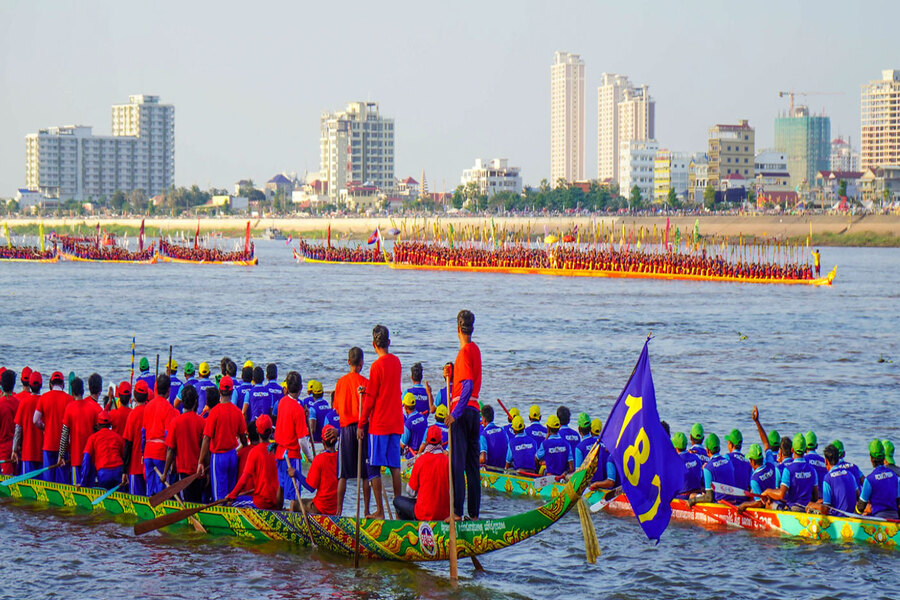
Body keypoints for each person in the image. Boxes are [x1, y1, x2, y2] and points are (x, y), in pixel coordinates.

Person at [358, 324, 404, 520]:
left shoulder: (376, 366)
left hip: (379, 423)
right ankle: (400, 509)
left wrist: (361, 423)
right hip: (395, 421)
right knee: (395, 466)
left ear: (373, 345)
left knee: (374, 467)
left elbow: (371, 398)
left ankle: (380, 511)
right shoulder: (397, 362)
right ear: (389, 343)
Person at [197, 376, 249, 501]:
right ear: (232, 392)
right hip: (232, 456)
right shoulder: (237, 412)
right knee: (230, 494)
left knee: (219, 496)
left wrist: (200, 462)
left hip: (218, 457)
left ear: (220, 392)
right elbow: (243, 439)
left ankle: (219, 515)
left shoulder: (214, 412)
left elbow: (206, 439)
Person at [333, 347, 368, 515]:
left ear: (349, 362)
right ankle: (367, 510)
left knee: (343, 475)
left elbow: (338, 409)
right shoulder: (365, 382)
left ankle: (338, 511)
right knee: (366, 474)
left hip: (346, 429)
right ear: (361, 363)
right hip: (362, 428)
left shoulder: (341, 382)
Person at [273, 371, 313, 511]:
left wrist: (304, 415)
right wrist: (310, 458)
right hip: (292, 454)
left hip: (279, 453)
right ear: (301, 388)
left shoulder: (282, 402)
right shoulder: (297, 408)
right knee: (294, 492)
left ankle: (277, 511)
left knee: (281, 485)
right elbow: (302, 440)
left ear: (287, 387)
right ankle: (291, 517)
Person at [393, 425, 450, 521]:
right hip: (445, 514)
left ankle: (411, 527)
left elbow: (410, 492)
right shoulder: (448, 461)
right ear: (441, 441)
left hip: (423, 513)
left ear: (427, 441)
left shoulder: (420, 460)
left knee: (397, 501)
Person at [226, 415, 281, 509]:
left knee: (227, 504)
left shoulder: (255, 451)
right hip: (277, 501)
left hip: (261, 503)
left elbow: (244, 478)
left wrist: (232, 495)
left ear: (257, 431)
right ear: (271, 431)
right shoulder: (278, 450)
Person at [162, 385, 206, 503]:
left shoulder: (175, 422)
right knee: (197, 501)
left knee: (186, 502)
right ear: (196, 401)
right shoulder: (202, 422)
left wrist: (165, 473)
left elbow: (170, 450)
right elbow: (206, 448)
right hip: (199, 471)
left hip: (183, 472)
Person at [57, 376, 102, 485]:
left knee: (77, 490)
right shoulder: (92, 408)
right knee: (90, 489)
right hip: (90, 458)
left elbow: (64, 434)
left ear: (72, 393)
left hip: (76, 458)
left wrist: (61, 455)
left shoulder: (69, 408)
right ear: (83, 390)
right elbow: (97, 433)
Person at [142, 374, 178, 496]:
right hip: (160, 453)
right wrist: (172, 459)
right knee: (161, 491)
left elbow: (143, 433)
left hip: (148, 452)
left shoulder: (148, 406)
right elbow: (169, 437)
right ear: (169, 390)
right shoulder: (169, 408)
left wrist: (142, 453)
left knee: (150, 488)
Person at [761, 433, 819, 511]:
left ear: (792, 450)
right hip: (807, 509)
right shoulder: (813, 470)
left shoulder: (788, 470)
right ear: (805, 449)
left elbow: (781, 495)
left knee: (769, 505)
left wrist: (767, 492)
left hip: (793, 509)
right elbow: (815, 498)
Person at [34, 371, 72, 483]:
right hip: (64, 446)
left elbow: (35, 420)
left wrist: (44, 427)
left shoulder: (44, 398)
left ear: (50, 384)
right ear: (63, 384)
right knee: (63, 480)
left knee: (48, 480)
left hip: (48, 444)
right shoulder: (69, 399)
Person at [806, 443, 859, 516]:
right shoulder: (849, 474)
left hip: (838, 517)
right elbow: (858, 496)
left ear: (826, 461)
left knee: (809, 507)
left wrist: (812, 505)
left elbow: (826, 509)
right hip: (851, 515)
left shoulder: (828, 478)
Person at [78, 411, 125, 490]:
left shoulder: (92, 438)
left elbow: (86, 460)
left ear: (98, 425)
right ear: (110, 424)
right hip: (118, 471)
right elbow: (124, 456)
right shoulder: (118, 437)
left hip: (103, 472)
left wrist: (82, 482)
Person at [688, 433, 739, 505]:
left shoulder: (708, 467)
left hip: (721, 504)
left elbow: (709, 498)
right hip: (733, 501)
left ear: (707, 450)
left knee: (692, 495)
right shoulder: (728, 461)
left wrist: (692, 500)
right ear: (719, 449)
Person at [856, 439, 900, 519]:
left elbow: (861, 507)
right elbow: (898, 502)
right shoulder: (894, 476)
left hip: (878, 519)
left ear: (871, 458)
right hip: (895, 518)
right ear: (884, 457)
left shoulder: (869, 480)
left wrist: (853, 515)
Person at [303, 425, 339, 515]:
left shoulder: (319, 459)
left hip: (321, 508)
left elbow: (311, 488)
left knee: (295, 503)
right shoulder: (341, 457)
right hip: (336, 509)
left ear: (323, 442)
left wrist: (296, 474)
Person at [12, 371, 44, 475]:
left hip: (28, 451)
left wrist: (15, 449)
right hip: (42, 452)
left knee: (27, 483)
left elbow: (18, 429)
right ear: (41, 385)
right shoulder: (44, 401)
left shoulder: (24, 403)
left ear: (29, 385)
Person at [122, 380, 151, 495]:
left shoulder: (132, 415)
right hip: (149, 465)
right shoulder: (151, 411)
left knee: (136, 499)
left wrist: (124, 470)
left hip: (134, 466)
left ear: (134, 395)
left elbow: (128, 443)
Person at [737, 443, 778, 511]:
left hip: (767, 508)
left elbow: (759, 503)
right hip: (774, 501)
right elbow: (767, 446)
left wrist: (744, 505)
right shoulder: (770, 465)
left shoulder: (754, 480)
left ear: (752, 461)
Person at [673, 432, 704, 499]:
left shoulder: (674, 462)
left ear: (675, 448)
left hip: (683, 496)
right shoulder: (696, 457)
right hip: (697, 493)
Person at [0, 370, 18, 475]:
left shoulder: (0, 403)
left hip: (2, 448)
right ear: (14, 385)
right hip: (15, 447)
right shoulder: (18, 403)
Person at [479, 405, 508, 469]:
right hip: (503, 467)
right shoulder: (503, 431)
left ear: (484, 419)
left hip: (491, 469)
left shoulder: (484, 434)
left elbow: (483, 459)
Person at [400, 393, 426, 459]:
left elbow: (403, 444)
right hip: (423, 453)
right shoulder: (423, 417)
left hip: (412, 456)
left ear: (405, 407)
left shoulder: (408, 423)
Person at [804, 431, 827, 496]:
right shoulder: (824, 461)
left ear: (804, 446)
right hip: (824, 495)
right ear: (816, 446)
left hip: (811, 496)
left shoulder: (803, 460)